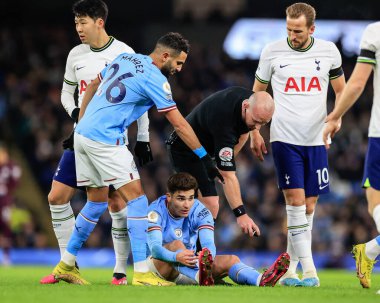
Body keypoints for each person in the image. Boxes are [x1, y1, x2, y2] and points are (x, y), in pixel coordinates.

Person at [50, 31, 223, 286]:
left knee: (97, 203)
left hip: (84, 136)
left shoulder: (125, 58)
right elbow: (180, 125)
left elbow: (93, 86)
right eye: (178, 62)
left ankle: (66, 264)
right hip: (106, 140)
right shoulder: (155, 78)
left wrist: (81, 123)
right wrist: (204, 157)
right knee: (138, 201)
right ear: (165, 55)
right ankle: (142, 272)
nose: (179, 68)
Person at [40, 0, 152, 285]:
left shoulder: (123, 53)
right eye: (76, 22)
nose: (78, 28)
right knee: (57, 197)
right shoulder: (76, 54)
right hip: (81, 137)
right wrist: (76, 113)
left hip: (111, 138)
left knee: (115, 202)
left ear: (100, 22)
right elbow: (66, 93)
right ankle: (69, 264)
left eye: (83, 22)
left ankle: (120, 271)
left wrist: (142, 137)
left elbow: (141, 96)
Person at [252, 2, 346, 287]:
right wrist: (256, 130)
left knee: (309, 205)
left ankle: (290, 271)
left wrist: (335, 120)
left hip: (316, 139)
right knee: (294, 202)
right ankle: (310, 272)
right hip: (284, 137)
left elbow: (341, 91)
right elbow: (257, 93)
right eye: (289, 30)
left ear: (312, 29)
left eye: (299, 31)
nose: (293, 35)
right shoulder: (272, 51)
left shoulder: (329, 51)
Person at [146, 172, 290, 286]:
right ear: (169, 197)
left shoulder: (200, 211)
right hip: (158, 268)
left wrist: (205, 259)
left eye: (190, 198)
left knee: (231, 259)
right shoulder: (156, 210)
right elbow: (155, 249)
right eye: (181, 198)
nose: (187, 204)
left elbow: (209, 244)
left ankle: (261, 280)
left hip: (188, 267)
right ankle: (200, 276)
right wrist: (176, 256)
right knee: (176, 244)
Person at [166, 87, 274, 238]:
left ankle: (197, 252)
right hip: (184, 149)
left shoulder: (251, 103)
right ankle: (186, 250)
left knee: (210, 205)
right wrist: (241, 214)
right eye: (255, 122)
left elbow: (245, 130)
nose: (257, 127)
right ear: (245, 106)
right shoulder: (225, 123)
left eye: (262, 123)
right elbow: (228, 176)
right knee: (210, 203)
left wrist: (254, 134)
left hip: (205, 151)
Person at [323, 21, 380, 289]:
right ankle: (369, 251)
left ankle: (369, 252)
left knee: (375, 204)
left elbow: (357, 84)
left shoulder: (375, 32)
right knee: (374, 204)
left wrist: (334, 116)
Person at [0, 143, 21, 265]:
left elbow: (16, 182)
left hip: (4, 201)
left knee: (6, 226)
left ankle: (6, 256)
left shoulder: (11, 166)